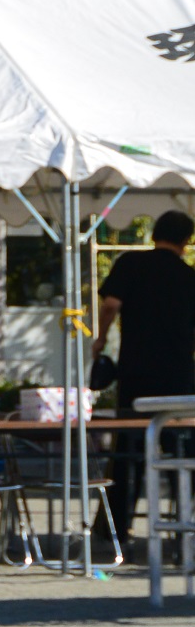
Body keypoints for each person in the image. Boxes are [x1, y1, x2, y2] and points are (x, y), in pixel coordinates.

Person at [92, 209, 195, 550]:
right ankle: (186, 527)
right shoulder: (189, 276)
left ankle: (114, 529)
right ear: (186, 241)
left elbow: (110, 304)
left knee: (129, 451)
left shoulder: (130, 264)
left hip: (135, 372)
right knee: (181, 450)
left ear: (153, 234)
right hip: (179, 376)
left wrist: (101, 338)